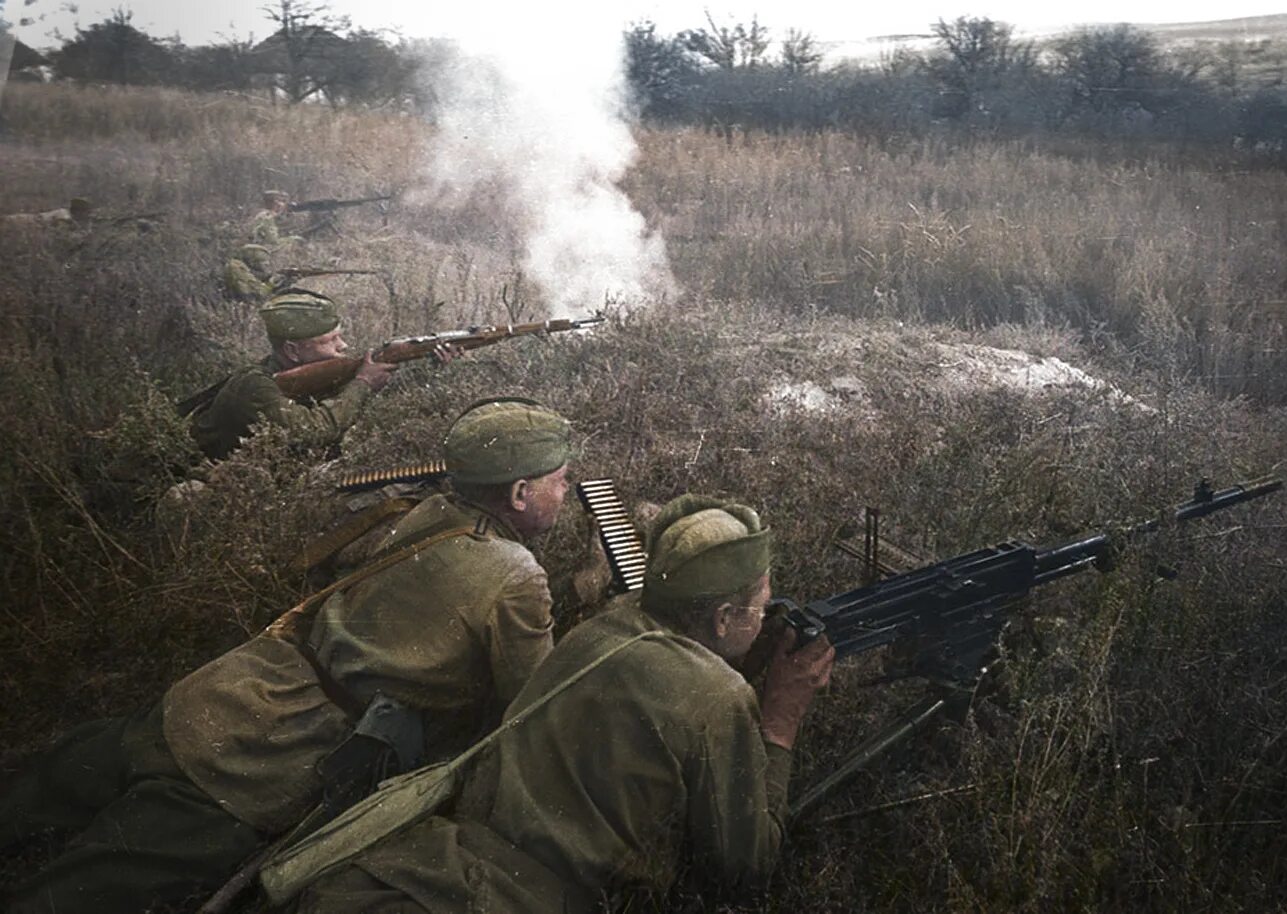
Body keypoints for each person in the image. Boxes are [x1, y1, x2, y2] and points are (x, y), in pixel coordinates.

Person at [1, 398, 576, 914]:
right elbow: (533, 702)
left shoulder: (430, 514)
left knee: (47, 786)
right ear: (520, 494)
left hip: (227, 690)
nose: (568, 491)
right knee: (75, 891)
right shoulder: (516, 575)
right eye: (560, 479)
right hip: (266, 757)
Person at [291, 493, 836, 913]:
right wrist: (780, 721)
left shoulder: (600, 630)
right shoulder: (720, 697)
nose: (764, 618)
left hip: (425, 866)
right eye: (759, 608)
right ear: (721, 619)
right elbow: (746, 867)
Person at [188, 289, 393, 460]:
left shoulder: (302, 377)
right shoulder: (255, 385)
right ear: (292, 351)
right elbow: (313, 431)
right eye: (330, 340)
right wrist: (363, 383)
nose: (343, 345)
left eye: (339, 336)